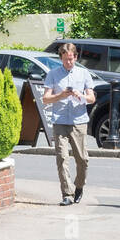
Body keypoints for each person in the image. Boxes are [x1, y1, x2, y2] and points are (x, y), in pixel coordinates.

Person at [42, 43, 97, 205]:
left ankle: (79, 186)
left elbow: (92, 98)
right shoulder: (53, 74)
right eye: (66, 60)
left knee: (82, 159)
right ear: (61, 58)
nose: (69, 62)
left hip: (78, 122)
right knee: (62, 158)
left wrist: (81, 96)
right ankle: (67, 194)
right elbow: (45, 99)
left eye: (71, 59)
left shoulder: (83, 73)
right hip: (60, 121)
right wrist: (61, 95)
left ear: (76, 57)